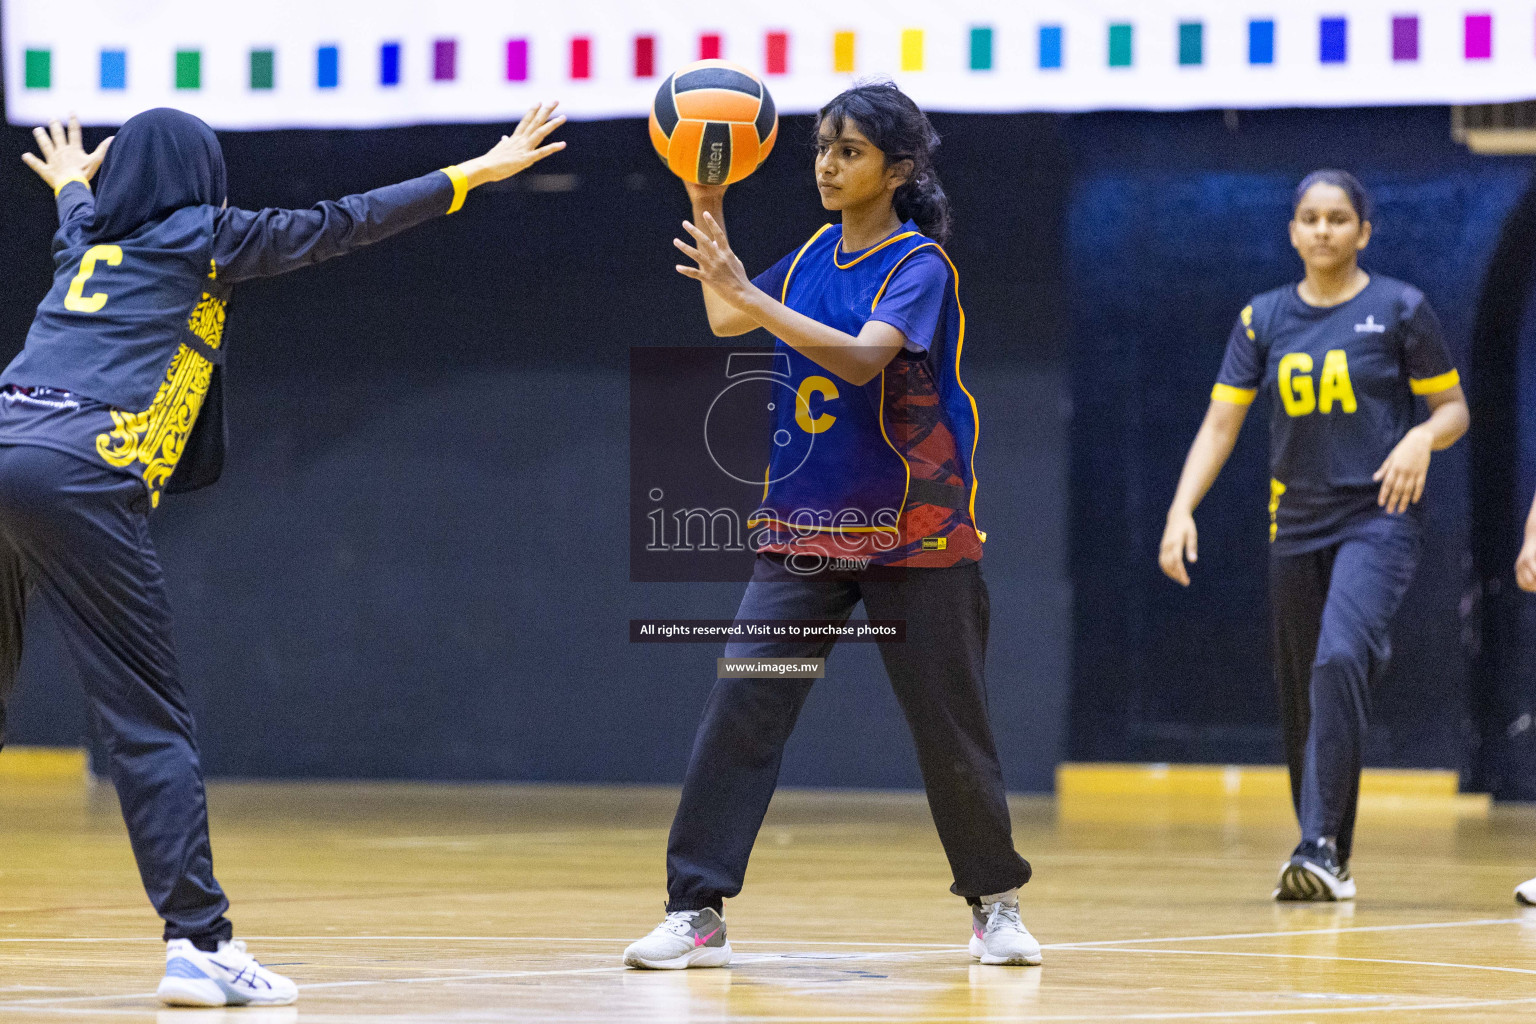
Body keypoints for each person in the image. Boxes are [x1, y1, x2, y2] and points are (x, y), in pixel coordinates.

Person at [1, 104, 565, 1006]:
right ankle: (201, 945)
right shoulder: (204, 236)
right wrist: (478, 171)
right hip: (77, 469)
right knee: (150, 726)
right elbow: (347, 220)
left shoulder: (87, 246)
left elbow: (77, 213)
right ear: (201, 178)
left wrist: (75, 178)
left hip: (6, 442)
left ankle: (202, 942)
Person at [622, 81, 1038, 969]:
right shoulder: (815, 249)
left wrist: (753, 294)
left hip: (916, 534)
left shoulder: (919, 265)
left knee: (949, 726)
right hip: (805, 529)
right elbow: (726, 313)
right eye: (820, 147)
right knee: (742, 709)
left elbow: (857, 362)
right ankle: (696, 912)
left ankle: (995, 905)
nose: (825, 164)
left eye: (847, 151)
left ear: (898, 168)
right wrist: (706, 199)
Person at [1158, 170, 1469, 901]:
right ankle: (1326, 852)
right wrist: (1181, 509)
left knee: (1337, 658)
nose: (1323, 230)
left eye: (1337, 218)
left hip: (1378, 517)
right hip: (1294, 523)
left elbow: (1453, 409)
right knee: (1304, 691)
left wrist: (1424, 438)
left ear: (1364, 231)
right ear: (1293, 231)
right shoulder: (1263, 318)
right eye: (1309, 218)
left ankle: (1319, 845)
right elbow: (1221, 423)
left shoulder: (1400, 308)